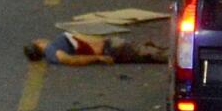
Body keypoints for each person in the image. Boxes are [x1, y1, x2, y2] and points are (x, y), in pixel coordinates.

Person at [23, 33, 165, 66]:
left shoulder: (52, 48)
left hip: (110, 45)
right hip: (109, 49)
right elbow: (69, 59)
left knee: (150, 50)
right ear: (38, 44)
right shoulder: (51, 50)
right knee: (158, 55)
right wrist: (98, 58)